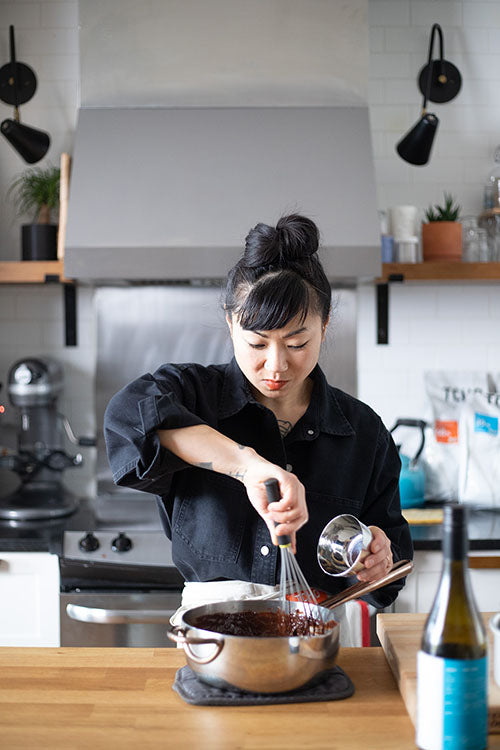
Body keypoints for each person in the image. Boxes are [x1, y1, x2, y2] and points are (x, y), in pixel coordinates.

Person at [104, 214, 413, 645]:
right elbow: (127, 418)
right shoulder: (194, 397)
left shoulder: (362, 432)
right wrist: (248, 467)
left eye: (297, 343)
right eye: (257, 343)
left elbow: (394, 570)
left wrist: (380, 559)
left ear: (324, 326)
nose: (276, 364)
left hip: (313, 647)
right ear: (231, 323)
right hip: (209, 643)